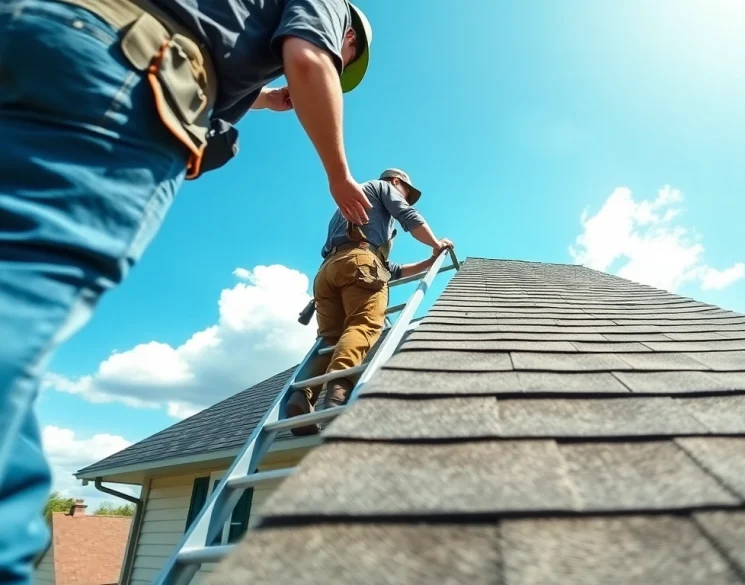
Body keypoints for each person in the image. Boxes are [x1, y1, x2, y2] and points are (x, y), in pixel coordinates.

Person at [0, 0, 377, 581]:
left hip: (39, 31)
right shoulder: (328, 15)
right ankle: (328, 396)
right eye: (345, 52)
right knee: (363, 325)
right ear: (348, 34)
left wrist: (259, 100)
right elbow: (307, 59)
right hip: (123, 74)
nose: (339, 54)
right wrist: (339, 174)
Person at [286, 169, 453, 436]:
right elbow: (407, 217)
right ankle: (338, 391)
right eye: (407, 194)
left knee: (329, 339)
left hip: (328, 271)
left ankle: (300, 398)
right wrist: (436, 244)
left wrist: (428, 263)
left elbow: (390, 269)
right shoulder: (381, 187)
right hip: (359, 264)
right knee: (363, 324)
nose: (406, 199)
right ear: (397, 183)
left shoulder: (348, 208)